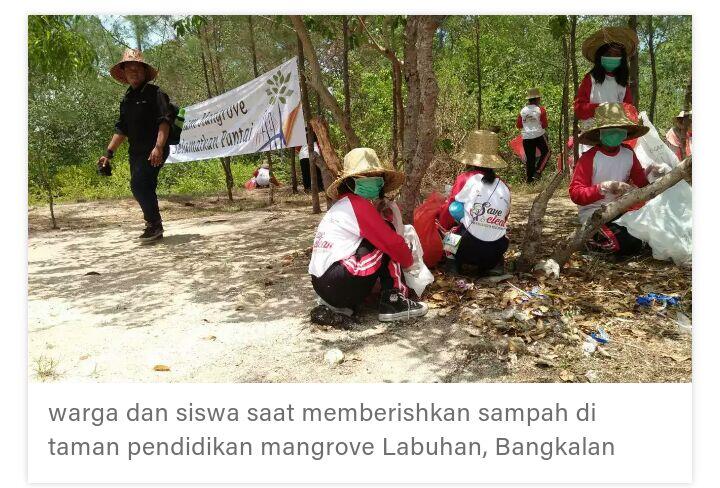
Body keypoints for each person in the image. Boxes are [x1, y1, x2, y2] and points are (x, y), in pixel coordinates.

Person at [308, 147, 428, 322]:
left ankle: (351, 302)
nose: (377, 181)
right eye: (369, 177)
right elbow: (392, 243)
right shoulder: (358, 205)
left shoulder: (343, 205)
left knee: (379, 239)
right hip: (338, 282)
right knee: (388, 237)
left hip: (323, 285)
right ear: (351, 181)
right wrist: (409, 263)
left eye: (377, 177)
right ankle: (394, 301)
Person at [569, 102, 669, 256]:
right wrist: (603, 187)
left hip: (622, 209)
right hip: (594, 213)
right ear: (600, 133)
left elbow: (641, 183)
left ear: (625, 132)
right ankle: (589, 241)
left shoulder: (628, 152)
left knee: (654, 232)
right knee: (627, 242)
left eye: (618, 130)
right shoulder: (589, 158)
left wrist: (652, 172)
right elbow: (576, 193)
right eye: (610, 130)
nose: (615, 134)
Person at [98, 49, 174, 242]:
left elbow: (165, 121)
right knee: (145, 187)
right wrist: (108, 153)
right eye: (129, 69)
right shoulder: (127, 99)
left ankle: (154, 225)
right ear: (123, 73)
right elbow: (121, 129)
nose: (134, 72)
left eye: (137, 68)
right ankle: (154, 226)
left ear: (144, 71)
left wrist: (158, 147)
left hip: (155, 149)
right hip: (136, 153)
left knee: (139, 185)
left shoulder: (155, 93)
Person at [439, 130, 511, 276]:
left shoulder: (465, 178)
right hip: (496, 249)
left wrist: (444, 225)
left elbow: (448, 211)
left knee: (450, 225)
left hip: (467, 248)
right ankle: (495, 265)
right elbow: (504, 217)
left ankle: (452, 263)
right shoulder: (503, 185)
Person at [574, 27, 638, 154]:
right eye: (608, 54)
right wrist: (603, 108)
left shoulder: (623, 84)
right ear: (600, 56)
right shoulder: (590, 79)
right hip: (592, 137)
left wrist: (620, 113)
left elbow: (630, 111)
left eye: (617, 55)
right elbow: (578, 109)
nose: (613, 57)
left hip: (616, 138)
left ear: (622, 59)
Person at [516, 88, 549, 183]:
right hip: (539, 135)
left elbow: (518, 125)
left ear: (529, 100)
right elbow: (545, 125)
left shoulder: (522, 111)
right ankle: (538, 171)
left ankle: (529, 181)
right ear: (537, 99)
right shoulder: (541, 109)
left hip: (526, 137)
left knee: (530, 159)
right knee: (547, 152)